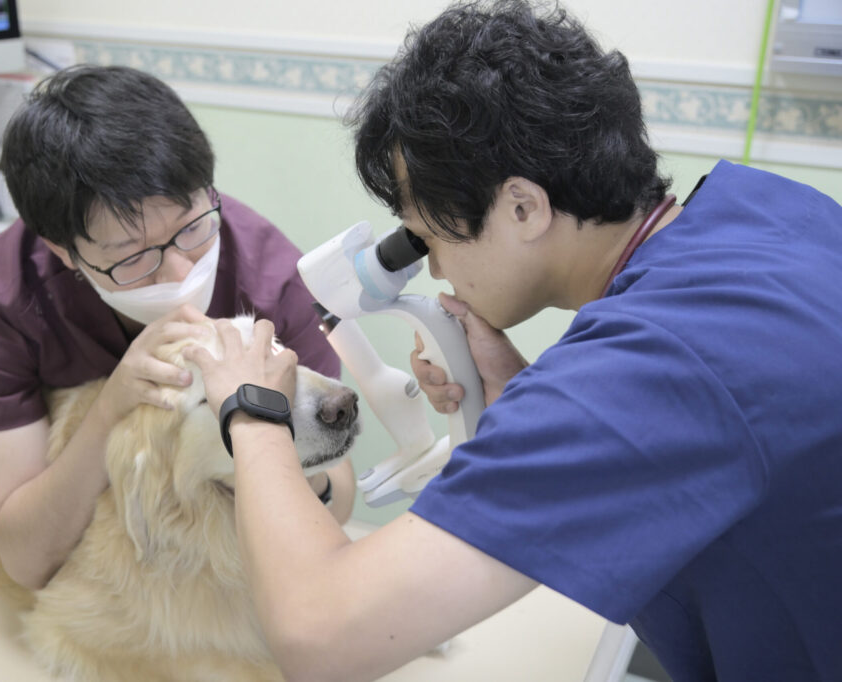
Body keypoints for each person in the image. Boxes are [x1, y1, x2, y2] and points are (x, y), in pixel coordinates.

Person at [185, 1, 842, 681]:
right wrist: (522, 401)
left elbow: (318, 634)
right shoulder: (770, 209)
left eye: (429, 236)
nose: (435, 268)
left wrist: (252, 409)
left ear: (523, 207)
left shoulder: (642, 375)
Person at [0, 65, 355, 591]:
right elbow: (25, 559)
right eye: (133, 258)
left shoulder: (274, 284)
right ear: (62, 251)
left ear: (207, 188)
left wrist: (284, 443)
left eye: (192, 228)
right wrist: (111, 408)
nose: (181, 273)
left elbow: (337, 502)